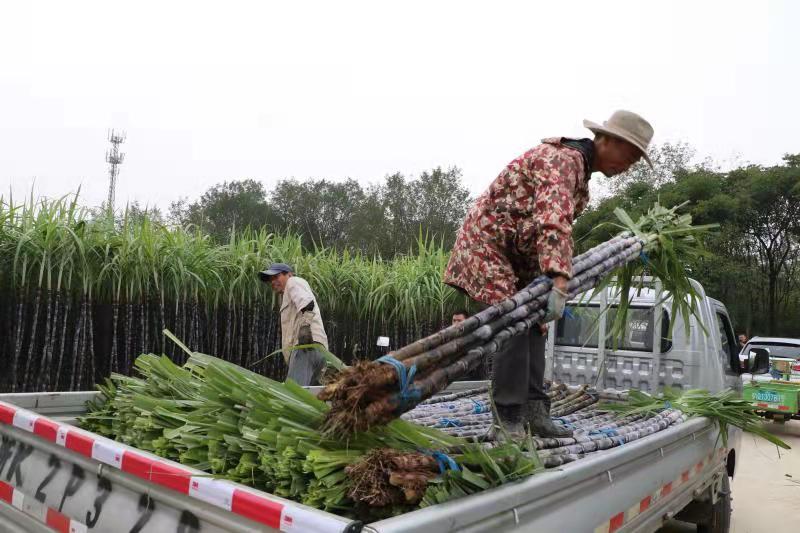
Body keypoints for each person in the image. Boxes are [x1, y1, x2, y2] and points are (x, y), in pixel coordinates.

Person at [444, 110, 653, 438]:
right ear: (607, 140)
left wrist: (541, 289)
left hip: (516, 255)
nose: (628, 166)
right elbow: (552, 221)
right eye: (629, 156)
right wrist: (559, 280)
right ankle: (507, 419)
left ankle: (535, 413)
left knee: (534, 326)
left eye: (635, 162)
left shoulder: (580, 177)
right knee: (512, 323)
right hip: (486, 247)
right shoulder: (562, 161)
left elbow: (538, 231)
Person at [259, 263, 329, 386]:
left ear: (289, 274)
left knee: (294, 392)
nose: (273, 282)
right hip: (318, 351)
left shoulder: (293, 282)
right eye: (271, 279)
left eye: (276, 277)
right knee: (310, 395)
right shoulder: (288, 293)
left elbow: (307, 303)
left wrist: (305, 327)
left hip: (305, 348)